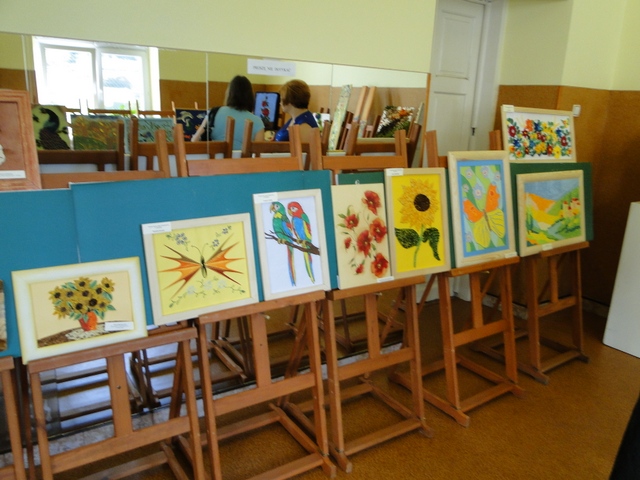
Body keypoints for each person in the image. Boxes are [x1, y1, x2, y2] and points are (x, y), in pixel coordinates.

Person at [191, 75, 264, 150]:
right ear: (250, 96)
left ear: (229, 93)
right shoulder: (258, 122)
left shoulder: (214, 113)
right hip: (244, 158)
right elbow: (259, 152)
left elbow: (194, 142)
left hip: (216, 157)